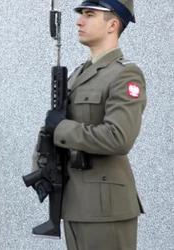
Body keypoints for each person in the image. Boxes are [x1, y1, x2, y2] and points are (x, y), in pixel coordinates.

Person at [34, 0, 146, 249]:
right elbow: (54, 126)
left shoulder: (125, 74)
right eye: (81, 14)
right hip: (74, 204)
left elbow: (119, 137)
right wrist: (42, 164)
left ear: (112, 24)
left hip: (105, 208)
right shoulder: (77, 74)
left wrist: (61, 129)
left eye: (89, 14)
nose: (79, 21)